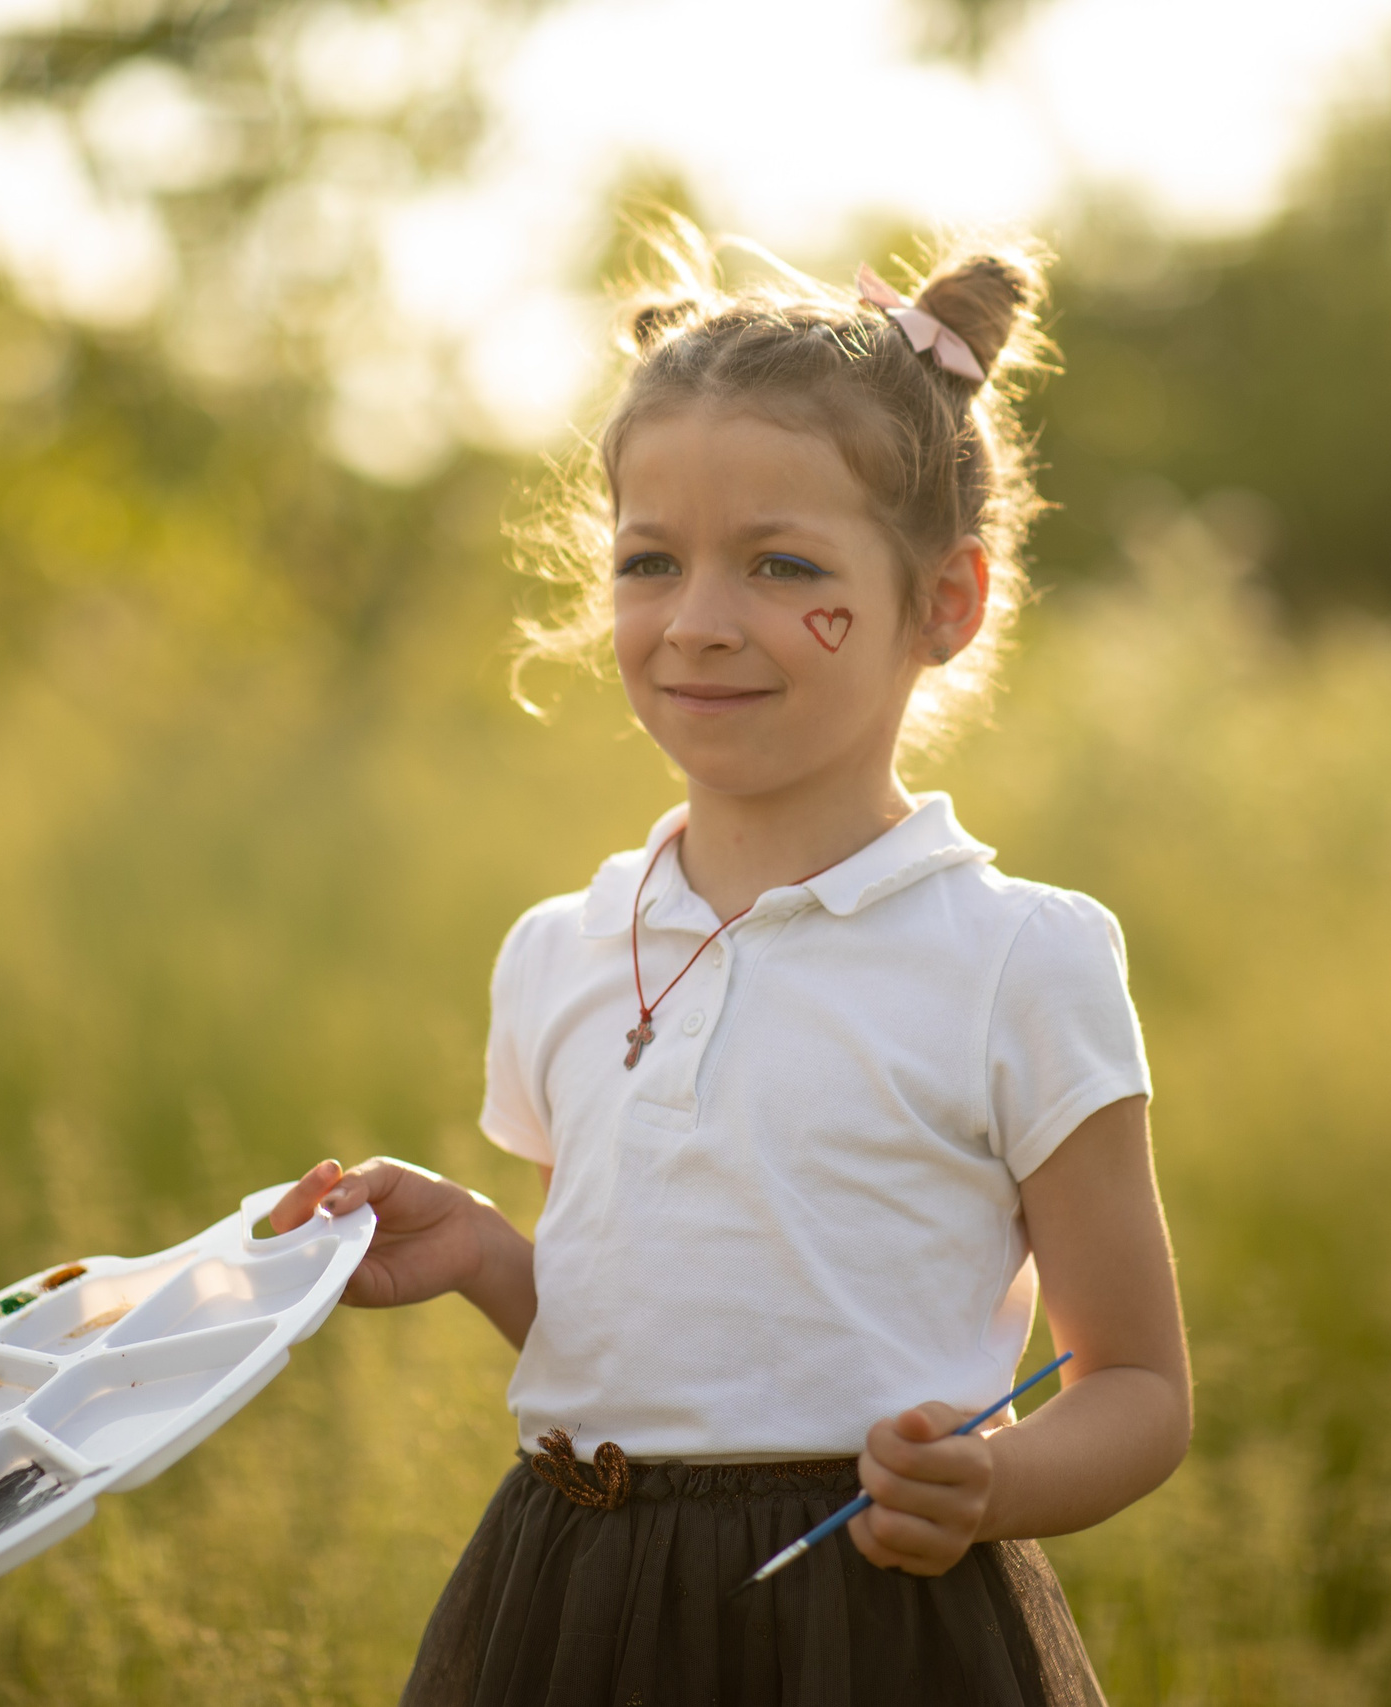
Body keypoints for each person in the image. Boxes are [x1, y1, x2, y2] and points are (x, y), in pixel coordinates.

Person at [269, 229, 1189, 1706]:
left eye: (781, 564)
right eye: (651, 561)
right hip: (567, 1598)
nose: (698, 618)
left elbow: (1139, 1387)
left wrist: (989, 1484)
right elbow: (650, 1329)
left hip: (866, 1624)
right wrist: (492, 1258)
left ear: (945, 603)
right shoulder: (563, 948)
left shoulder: (1018, 957)